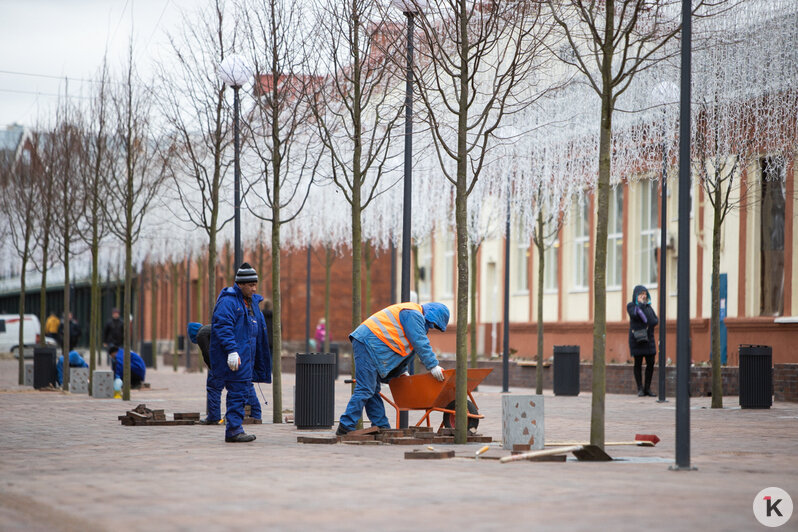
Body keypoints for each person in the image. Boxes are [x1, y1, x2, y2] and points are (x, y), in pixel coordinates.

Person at [337, 302, 449, 436]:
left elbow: (406, 349)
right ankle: (345, 426)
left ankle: (381, 425)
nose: (432, 327)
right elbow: (419, 342)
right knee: (366, 387)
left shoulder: (414, 316)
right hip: (366, 342)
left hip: (371, 344)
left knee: (372, 389)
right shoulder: (413, 314)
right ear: (431, 315)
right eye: (433, 324)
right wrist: (433, 365)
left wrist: (402, 371)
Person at [210, 263, 272, 443]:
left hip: (248, 357)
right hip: (237, 357)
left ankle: (235, 428)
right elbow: (223, 328)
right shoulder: (229, 302)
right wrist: (231, 351)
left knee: (243, 392)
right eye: (250, 285)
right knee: (237, 393)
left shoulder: (251, 302)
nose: (254, 288)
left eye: (255, 284)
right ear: (240, 284)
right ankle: (234, 430)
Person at [188, 321, 263, 426]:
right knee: (245, 384)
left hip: (221, 360)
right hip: (237, 354)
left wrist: (213, 370)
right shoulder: (210, 328)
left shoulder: (201, 334)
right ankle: (256, 415)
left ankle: (213, 417)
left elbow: (207, 354)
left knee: (213, 388)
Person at [627, 285, 659, 397]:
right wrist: (640, 305)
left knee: (651, 363)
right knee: (638, 364)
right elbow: (635, 315)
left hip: (649, 340)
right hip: (637, 339)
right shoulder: (631, 306)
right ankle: (640, 388)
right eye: (641, 294)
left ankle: (647, 388)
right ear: (636, 295)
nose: (643, 296)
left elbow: (654, 321)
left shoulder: (649, 307)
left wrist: (645, 307)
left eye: (645, 294)